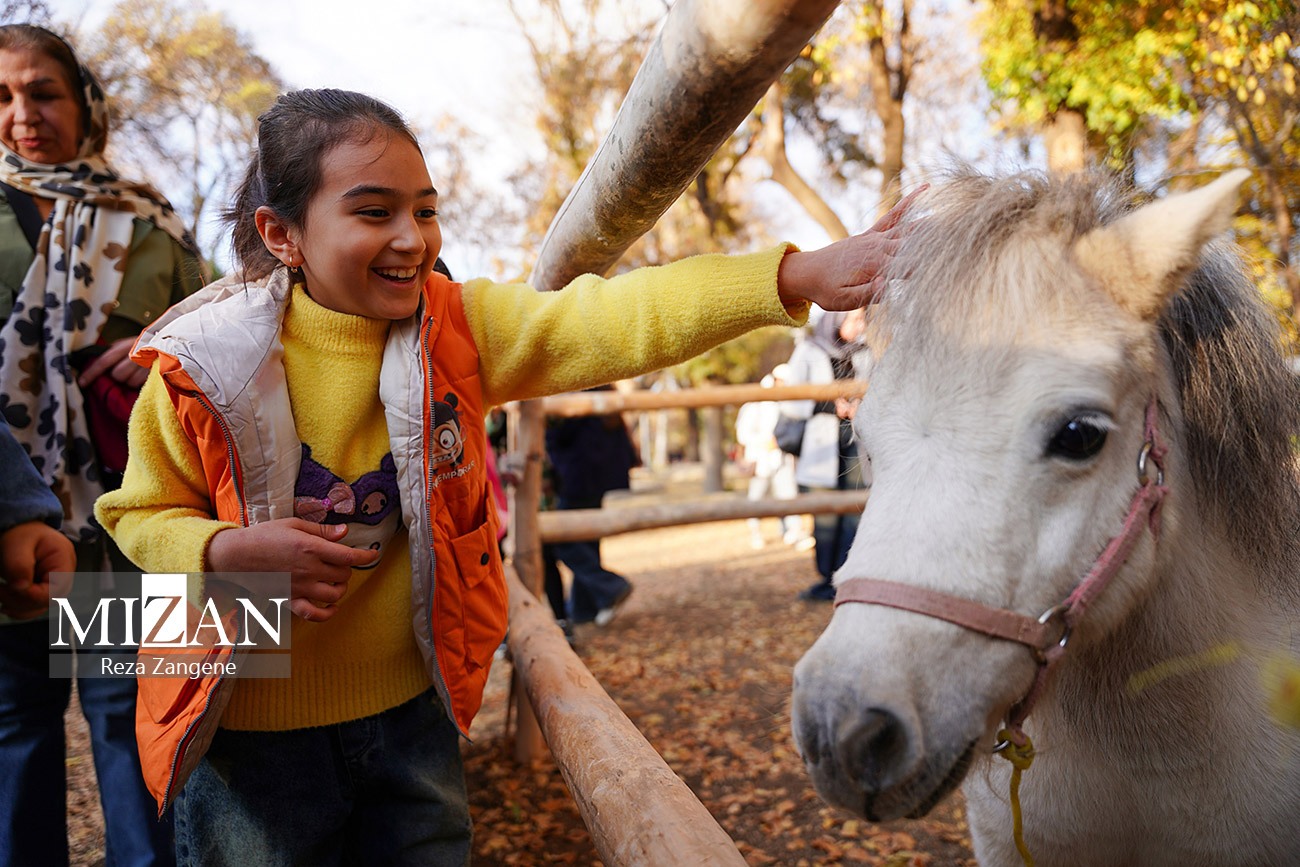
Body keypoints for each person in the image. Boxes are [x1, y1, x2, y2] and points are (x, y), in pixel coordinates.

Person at [93, 88, 919, 865]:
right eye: (373, 211)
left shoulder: (453, 328)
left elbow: (611, 317)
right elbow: (136, 515)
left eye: (425, 210)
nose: (412, 237)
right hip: (248, 730)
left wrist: (791, 275)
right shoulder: (201, 369)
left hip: (411, 714)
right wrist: (225, 549)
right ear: (282, 234)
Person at [0, 23, 204, 867]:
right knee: (15, 723)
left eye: (42, 92)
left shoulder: (150, 221)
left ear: (84, 102)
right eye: (2, 99)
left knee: (132, 709)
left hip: (130, 510)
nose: (22, 116)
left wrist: (167, 337)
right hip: (6, 510)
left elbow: (217, 342)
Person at [782, 308, 871, 602]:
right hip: (821, 445)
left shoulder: (866, 352)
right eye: (854, 319)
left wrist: (860, 406)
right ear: (837, 319)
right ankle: (826, 578)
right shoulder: (809, 351)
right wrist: (831, 407)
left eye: (863, 319)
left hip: (856, 444)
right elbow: (792, 401)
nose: (860, 325)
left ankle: (850, 575)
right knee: (825, 518)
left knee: (855, 514)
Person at [545, 389, 639, 626]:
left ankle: (610, 586)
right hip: (598, 477)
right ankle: (584, 608)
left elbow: (560, 434)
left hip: (577, 477)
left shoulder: (575, 394)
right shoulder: (603, 389)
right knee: (587, 539)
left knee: (561, 541)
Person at [734, 363, 808, 549]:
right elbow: (743, 434)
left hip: (781, 458)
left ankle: (794, 532)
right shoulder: (756, 403)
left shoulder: (786, 403)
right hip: (760, 460)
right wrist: (765, 441)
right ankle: (755, 532)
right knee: (756, 498)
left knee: (788, 495)